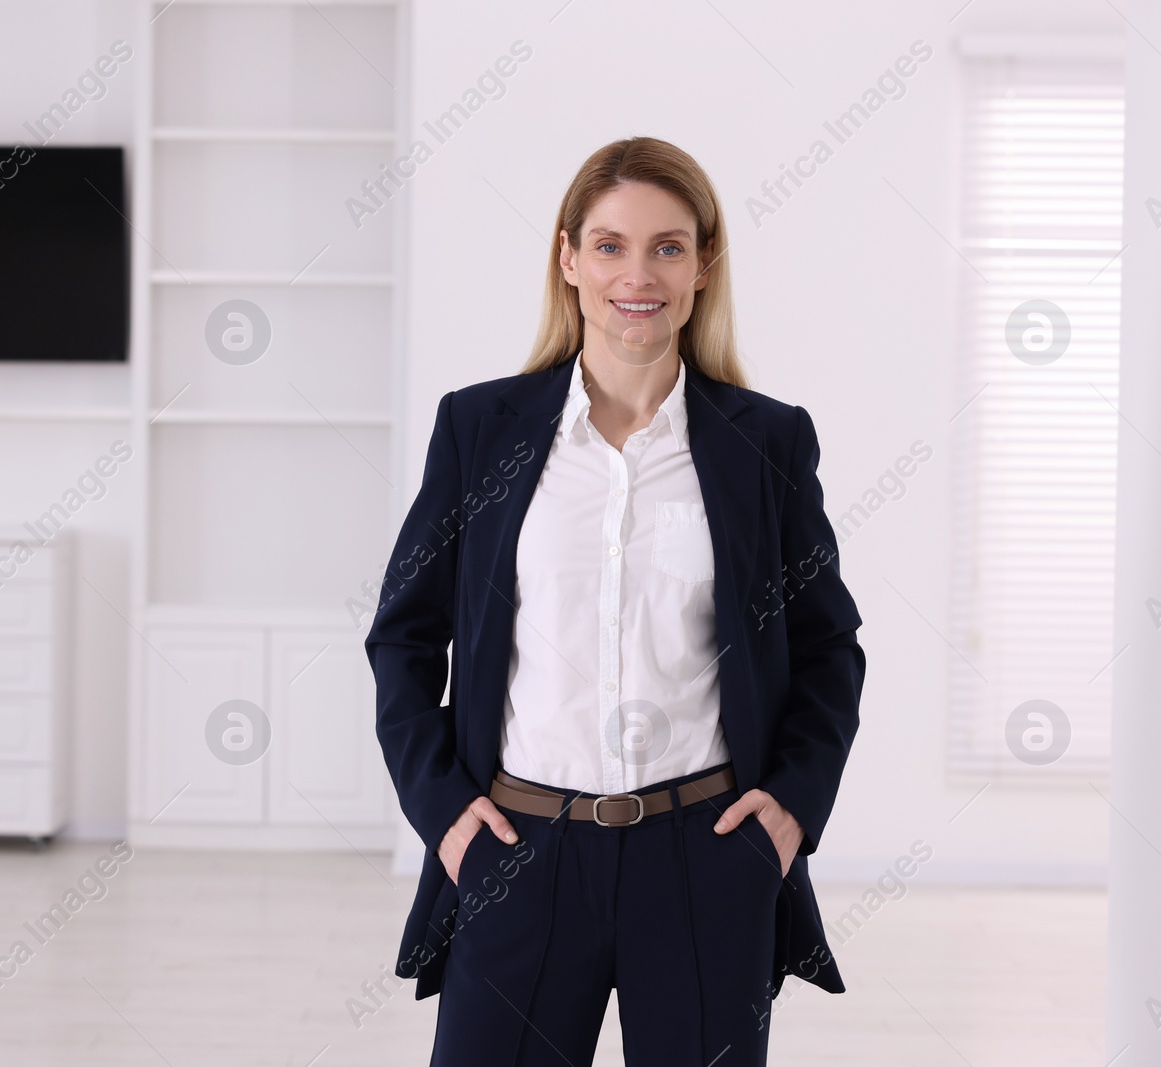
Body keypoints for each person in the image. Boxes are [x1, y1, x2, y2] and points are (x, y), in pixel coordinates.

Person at [364, 136, 865, 1067]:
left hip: (705, 855)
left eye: (669, 247)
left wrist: (791, 805)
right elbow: (404, 636)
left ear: (705, 265)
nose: (639, 274)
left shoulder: (767, 443)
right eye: (610, 245)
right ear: (567, 258)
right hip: (517, 847)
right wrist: (445, 812)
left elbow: (829, 643)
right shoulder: (480, 430)